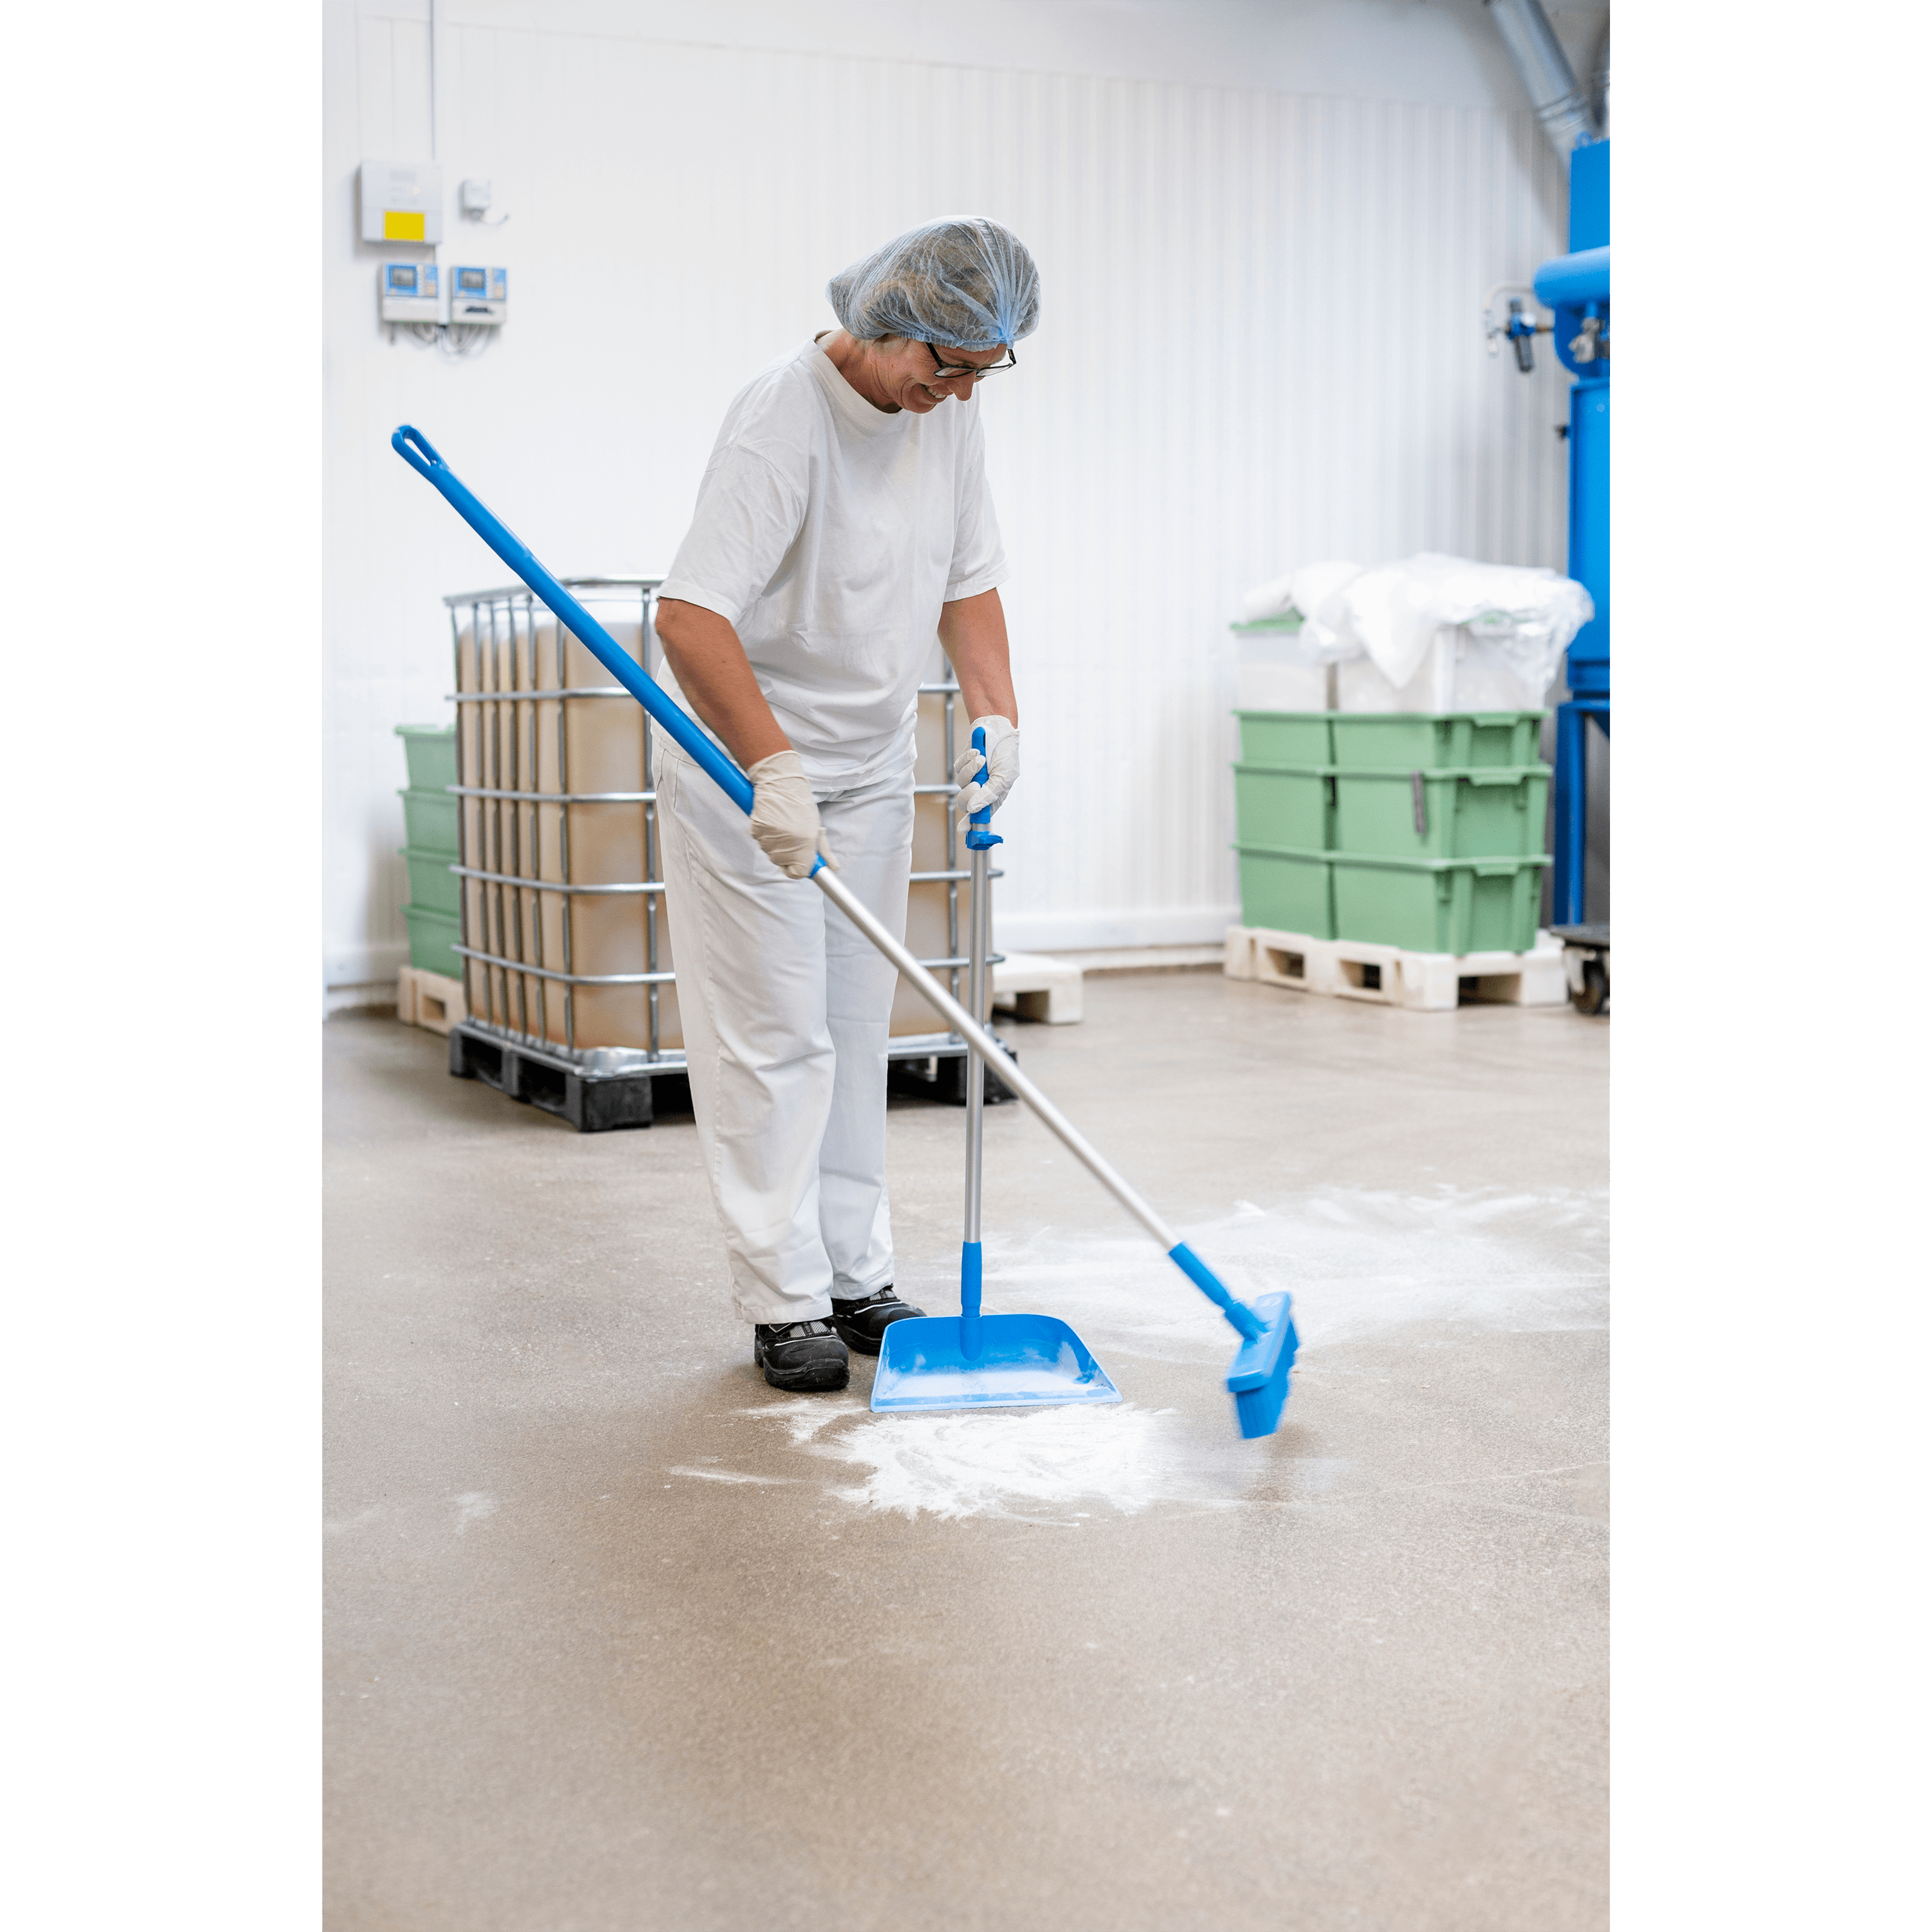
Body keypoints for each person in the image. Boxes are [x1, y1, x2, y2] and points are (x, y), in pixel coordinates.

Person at [652, 218, 1037, 1392]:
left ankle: (855, 1274)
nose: (962, 392)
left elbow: (968, 581)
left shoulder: (948, 416)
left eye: (984, 370)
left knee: (859, 1027)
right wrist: (770, 769)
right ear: (887, 325)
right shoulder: (783, 420)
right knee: (775, 1037)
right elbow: (688, 614)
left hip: (870, 763)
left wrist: (994, 713)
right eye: (949, 365)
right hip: (748, 769)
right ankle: (782, 1296)